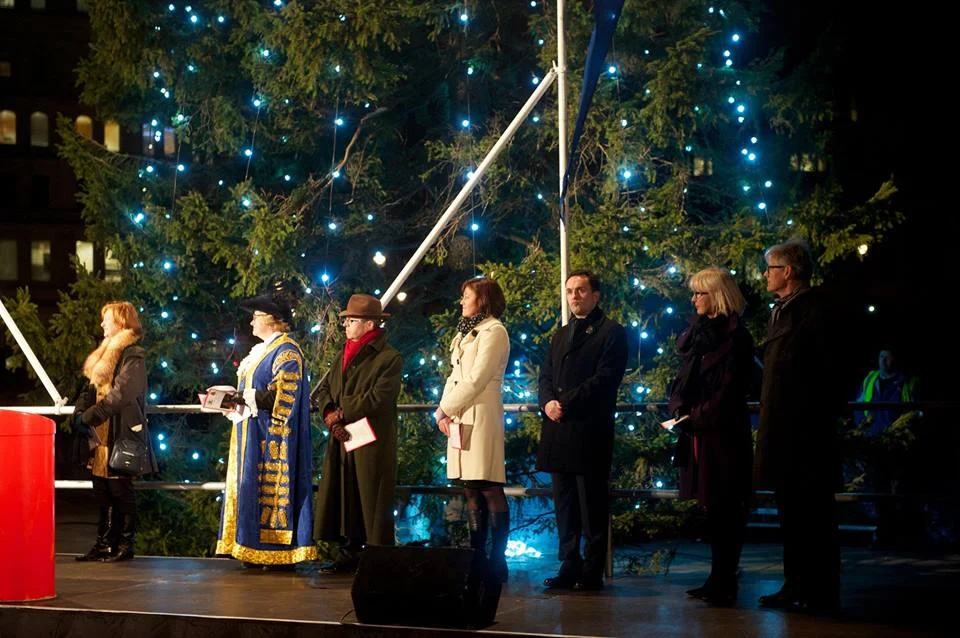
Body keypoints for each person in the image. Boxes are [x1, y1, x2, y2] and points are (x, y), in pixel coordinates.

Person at [755, 238, 842, 611]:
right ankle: (796, 585)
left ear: (788, 271)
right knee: (791, 514)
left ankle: (819, 590)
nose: (765, 276)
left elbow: (827, 370)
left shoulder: (814, 311)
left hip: (806, 433)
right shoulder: (782, 311)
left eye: (770, 269)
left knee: (814, 516)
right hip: (782, 429)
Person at [667, 268, 755, 605]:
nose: (694, 299)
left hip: (723, 435)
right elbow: (683, 380)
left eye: (700, 293)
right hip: (698, 432)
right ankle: (717, 578)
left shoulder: (736, 338)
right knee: (713, 509)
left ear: (716, 296)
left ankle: (725, 579)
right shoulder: (698, 335)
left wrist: (698, 415)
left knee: (727, 508)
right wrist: (680, 411)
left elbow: (731, 390)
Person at [537, 270, 628, 591]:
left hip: (589, 430)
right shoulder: (561, 334)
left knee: (592, 503)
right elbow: (545, 374)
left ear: (596, 295)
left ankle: (592, 569)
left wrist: (565, 402)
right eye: (570, 291)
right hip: (559, 428)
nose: (574, 296)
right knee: (563, 502)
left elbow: (605, 380)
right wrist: (548, 402)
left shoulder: (612, 333)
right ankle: (569, 563)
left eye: (580, 290)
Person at [215, 292, 317, 569]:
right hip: (251, 431)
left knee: (269, 494)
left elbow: (285, 398)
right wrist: (233, 400)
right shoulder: (261, 351)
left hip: (273, 436)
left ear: (272, 321)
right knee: (249, 487)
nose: (251, 322)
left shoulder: (286, 351)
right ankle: (251, 547)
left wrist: (245, 396)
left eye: (256, 317)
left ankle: (276, 552)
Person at [314, 294, 402, 574]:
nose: (345, 326)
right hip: (343, 435)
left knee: (371, 495)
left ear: (369, 324)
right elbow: (327, 387)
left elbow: (380, 396)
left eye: (351, 321)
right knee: (346, 492)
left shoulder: (389, 357)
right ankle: (349, 550)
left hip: (370, 437)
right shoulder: (343, 353)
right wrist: (329, 411)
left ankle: (377, 556)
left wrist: (344, 411)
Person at [435, 277, 511, 582]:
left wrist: (446, 408)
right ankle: (477, 554)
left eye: (467, 296)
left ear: (483, 299)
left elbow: (477, 379)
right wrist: (442, 411)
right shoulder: (465, 332)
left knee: (488, 483)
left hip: (480, 414)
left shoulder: (494, 332)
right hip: (460, 414)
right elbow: (454, 376)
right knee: (469, 487)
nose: (462, 301)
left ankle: (497, 560)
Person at [74, 301, 158, 562]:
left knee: (120, 490)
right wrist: (79, 413)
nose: (102, 324)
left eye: (106, 320)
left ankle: (124, 544)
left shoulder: (132, 355)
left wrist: (90, 415)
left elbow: (122, 394)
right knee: (101, 489)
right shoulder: (103, 354)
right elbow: (89, 390)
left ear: (121, 323)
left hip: (119, 433)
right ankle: (103, 543)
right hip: (99, 435)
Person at [856, 349, 918, 436]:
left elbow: (915, 413)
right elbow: (858, 406)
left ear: (895, 359)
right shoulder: (869, 379)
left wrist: (901, 432)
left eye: (888, 357)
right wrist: (863, 428)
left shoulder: (908, 383)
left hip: (896, 439)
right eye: (881, 356)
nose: (883, 360)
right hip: (870, 438)